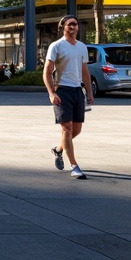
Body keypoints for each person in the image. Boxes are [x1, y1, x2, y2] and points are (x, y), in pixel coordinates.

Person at [43, 15, 93, 180]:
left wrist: (89, 92)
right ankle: (74, 166)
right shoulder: (56, 46)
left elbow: (85, 71)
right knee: (67, 129)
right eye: (70, 24)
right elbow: (48, 71)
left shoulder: (81, 47)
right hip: (62, 90)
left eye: (75, 24)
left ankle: (58, 150)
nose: (73, 27)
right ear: (63, 27)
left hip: (77, 91)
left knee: (76, 130)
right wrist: (52, 93)